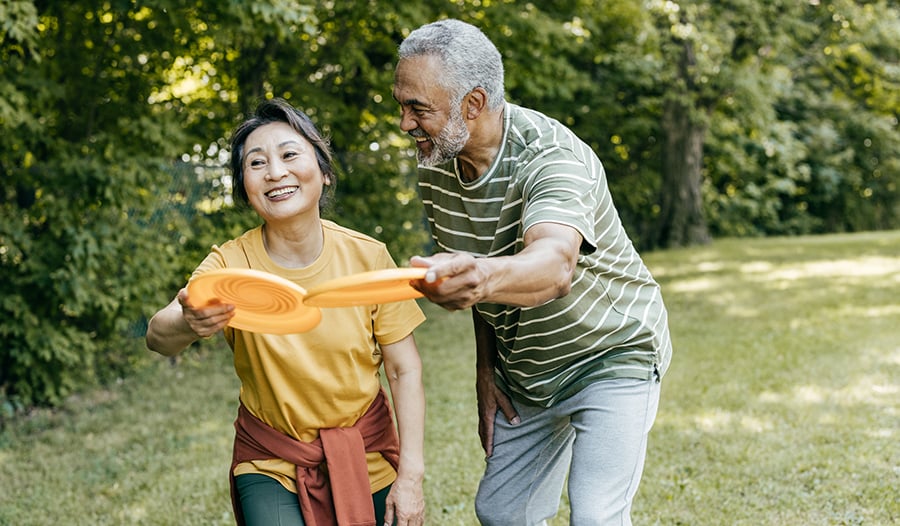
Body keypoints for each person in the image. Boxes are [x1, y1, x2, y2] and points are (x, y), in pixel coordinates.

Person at [393, 19, 673, 525]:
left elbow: (554, 264)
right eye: (400, 105)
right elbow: (470, 264)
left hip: (611, 351)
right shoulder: (437, 166)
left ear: (473, 104)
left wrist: (480, 276)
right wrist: (486, 369)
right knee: (502, 512)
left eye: (418, 109)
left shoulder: (552, 157)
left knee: (595, 516)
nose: (404, 123)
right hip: (528, 372)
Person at [145, 98, 426, 526]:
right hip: (272, 459)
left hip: (366, 450)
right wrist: (188, 321)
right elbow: (158, 334)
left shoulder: (368, 257)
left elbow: (404, 370)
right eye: (256, 163)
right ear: (245, 188)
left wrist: (411, 476)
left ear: (325, 172)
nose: (275, 172)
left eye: (289, 154)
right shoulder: (230, 265)